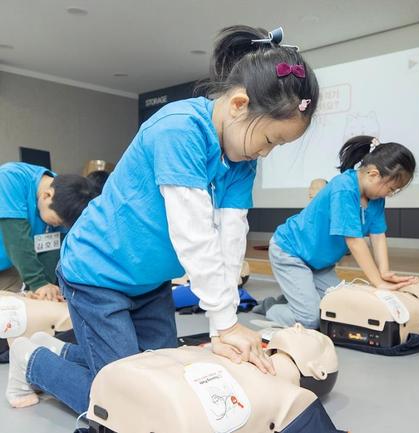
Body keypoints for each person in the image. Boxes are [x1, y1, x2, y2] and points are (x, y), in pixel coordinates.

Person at [6, 25, 319, 413]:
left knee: (165, 377)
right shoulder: (180, 129)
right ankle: (30, 359)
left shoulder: (242, 159)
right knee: (127, 398)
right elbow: (195, 234)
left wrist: (222, 327)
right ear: (239, 105)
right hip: (95, 276)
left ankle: (52, 350)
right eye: (270, 140)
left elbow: (230, 240)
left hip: (149, 281)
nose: (266, 152)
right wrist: (226, 324)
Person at [259, 135, 419, 328]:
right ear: (373, 174)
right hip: (291, 253)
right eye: (391, 189)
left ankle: (295, 299)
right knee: (311, 320)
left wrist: (384, 272)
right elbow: (354, 241)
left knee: (337, 310)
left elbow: (378, 235)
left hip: (320, 264)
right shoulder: (344, 187)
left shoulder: (376, 199)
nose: (390, 194)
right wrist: (378, 282)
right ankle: (270, 307)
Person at [0, 162, 96, 299]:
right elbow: (16, 238)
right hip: (15, 255)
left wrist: (45, 288)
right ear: (46, 195)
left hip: (9, 265)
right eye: (57, 221)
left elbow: (52, 249)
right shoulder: (10, 178)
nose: (58, 225)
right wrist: (38, 282)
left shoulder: (66, 196)